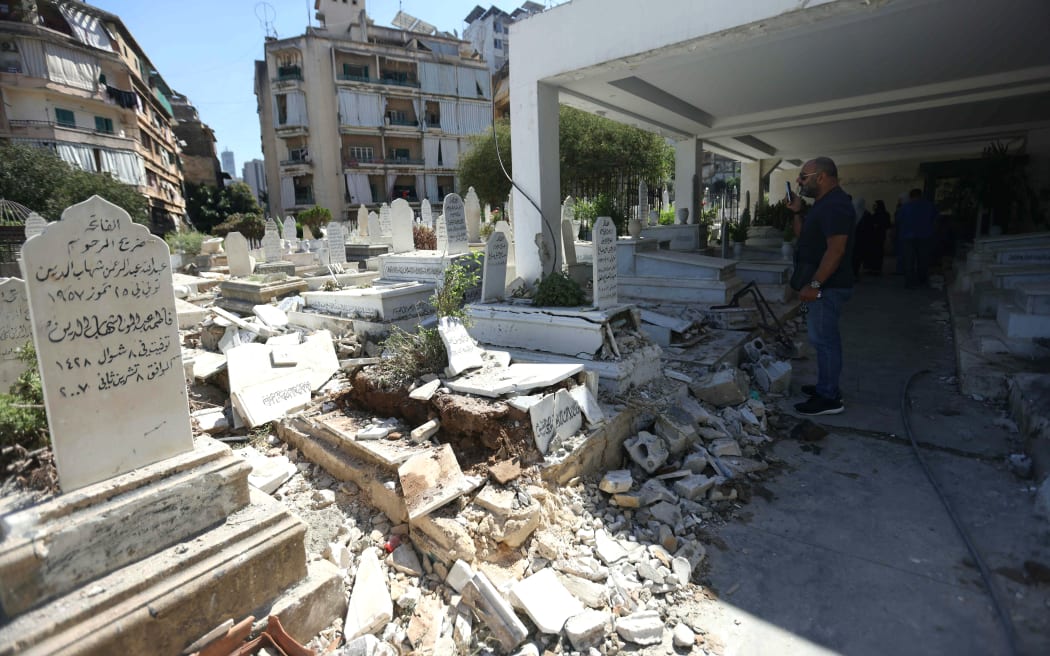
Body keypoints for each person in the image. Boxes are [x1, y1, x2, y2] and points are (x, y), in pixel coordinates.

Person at [788, 157, 855, 416]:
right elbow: (802, 236)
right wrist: (797, 212)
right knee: (821, 339)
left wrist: (815, 285)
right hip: (822, 285)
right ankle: (825, 387)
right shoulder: (822, 204)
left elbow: (836, 250)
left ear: (822, 176)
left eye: (803, 177)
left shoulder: (836, 205)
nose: (799, 181)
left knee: (825, 341)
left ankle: (829, 398)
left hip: (828, 287)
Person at [895, 188, 938, 288]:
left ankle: (909, 282)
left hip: (908, 236)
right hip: (925, 236)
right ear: (921, 195)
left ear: (910, 196)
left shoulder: (905, 207)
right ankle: (922, 280)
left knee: (909, 260)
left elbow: (898, 221)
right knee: (923, 259)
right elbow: (936, 220)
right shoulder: (929, 206)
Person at [865, 200, 891, 274]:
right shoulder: (885, 214)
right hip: (879, 236)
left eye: (875, 205)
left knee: (876, 252)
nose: (873, 207)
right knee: (877, 252)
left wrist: (878, 226)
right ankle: (876, 268)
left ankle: (875, 268)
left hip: (877, 236)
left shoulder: (878, 215)